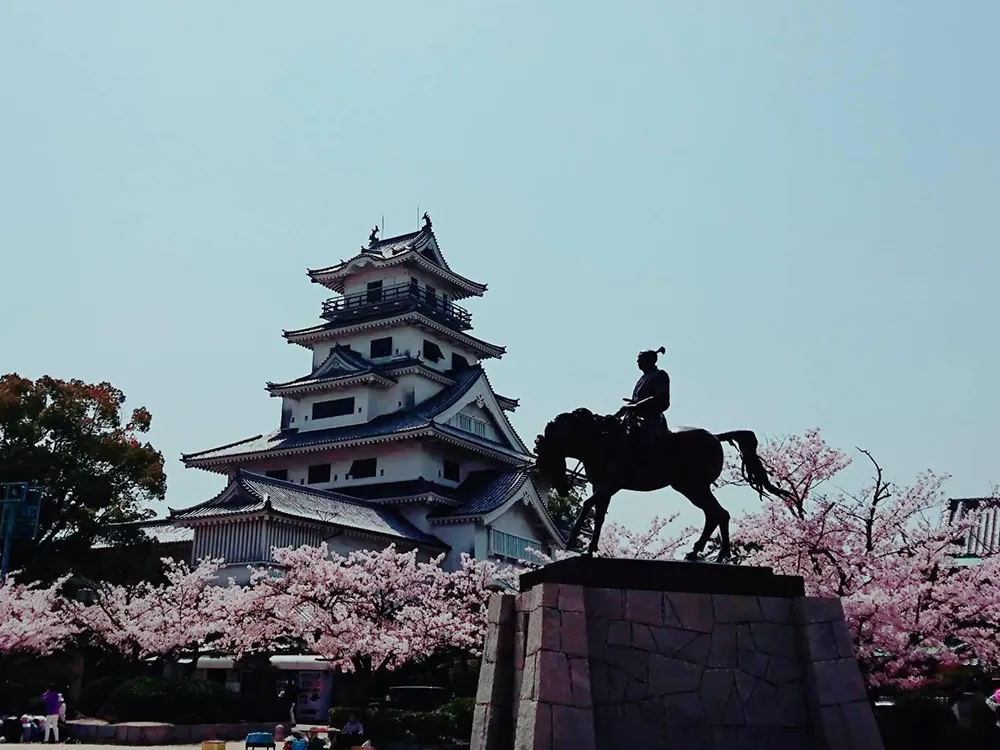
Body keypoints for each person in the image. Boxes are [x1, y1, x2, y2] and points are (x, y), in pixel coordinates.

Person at [620, 346, 671, 464]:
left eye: (640, 359)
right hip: (633, 418)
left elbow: (660, 397)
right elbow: (635, 401)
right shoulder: (643, 378)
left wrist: (637, 406)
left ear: (649, 360)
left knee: (642, 443)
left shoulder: (660, 375)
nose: (637, 362)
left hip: (651, 420)